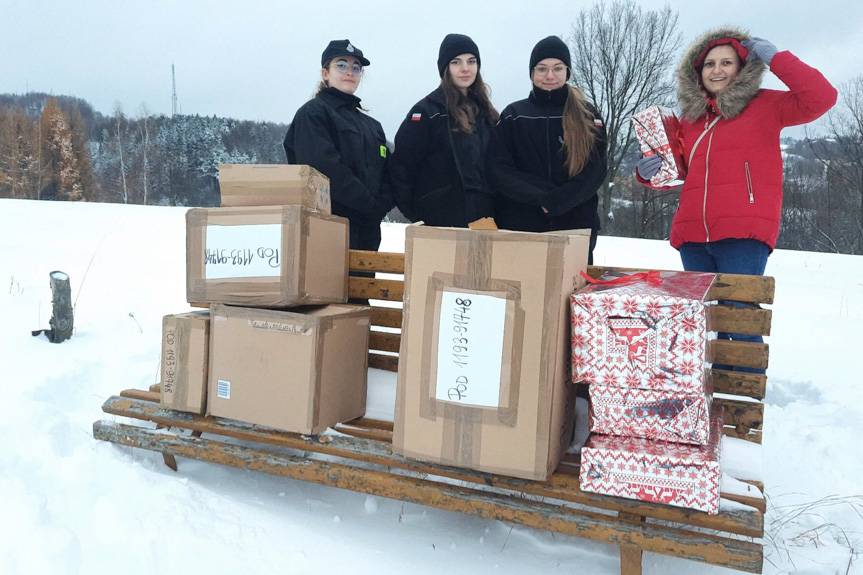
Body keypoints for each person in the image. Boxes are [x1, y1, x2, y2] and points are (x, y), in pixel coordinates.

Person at [635, 28, 837, 362]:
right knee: (702, 324)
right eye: (709, 64)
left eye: (726, 62)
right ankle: (705, 405)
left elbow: (822, 97)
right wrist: (647, 173)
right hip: (692, 235)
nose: (717, 70)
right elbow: (674, 174)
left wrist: (777, 58)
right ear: (696, 73)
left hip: (744, 233)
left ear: (742, 68)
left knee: (740, 318)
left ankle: (742, 406)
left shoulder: (768, 106)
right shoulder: (690, 120)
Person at [491, 35, 607, 264]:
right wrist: (542, 197)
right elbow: (499, 170)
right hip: (521, 226)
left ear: (568, 71)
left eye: (557, 68)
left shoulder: (588, 115)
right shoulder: (514, 115)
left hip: (575, 226)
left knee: (566, 298)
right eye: (542, 69)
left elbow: (596, 170)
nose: (550, 75)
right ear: (532, 73)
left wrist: (560, 199)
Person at [284, 39, 393, 252]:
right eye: (341, 65)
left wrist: (382, 205)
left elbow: (388, 172)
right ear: (325, 73)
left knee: (363, 286)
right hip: (327, 230)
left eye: (356, 68)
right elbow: (324, 168)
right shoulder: (313, 114)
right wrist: (369, 205)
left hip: (368, 234)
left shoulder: (372, 126)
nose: (349, 72)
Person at [390, 33, 499, 228]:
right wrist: (417, 213)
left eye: (471, 61)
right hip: (441, 221)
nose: (465, 68)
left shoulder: (488, 114)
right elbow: (401, 167)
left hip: (486, 218)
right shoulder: (426, 112)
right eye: (456, 62)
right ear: (445, 68)